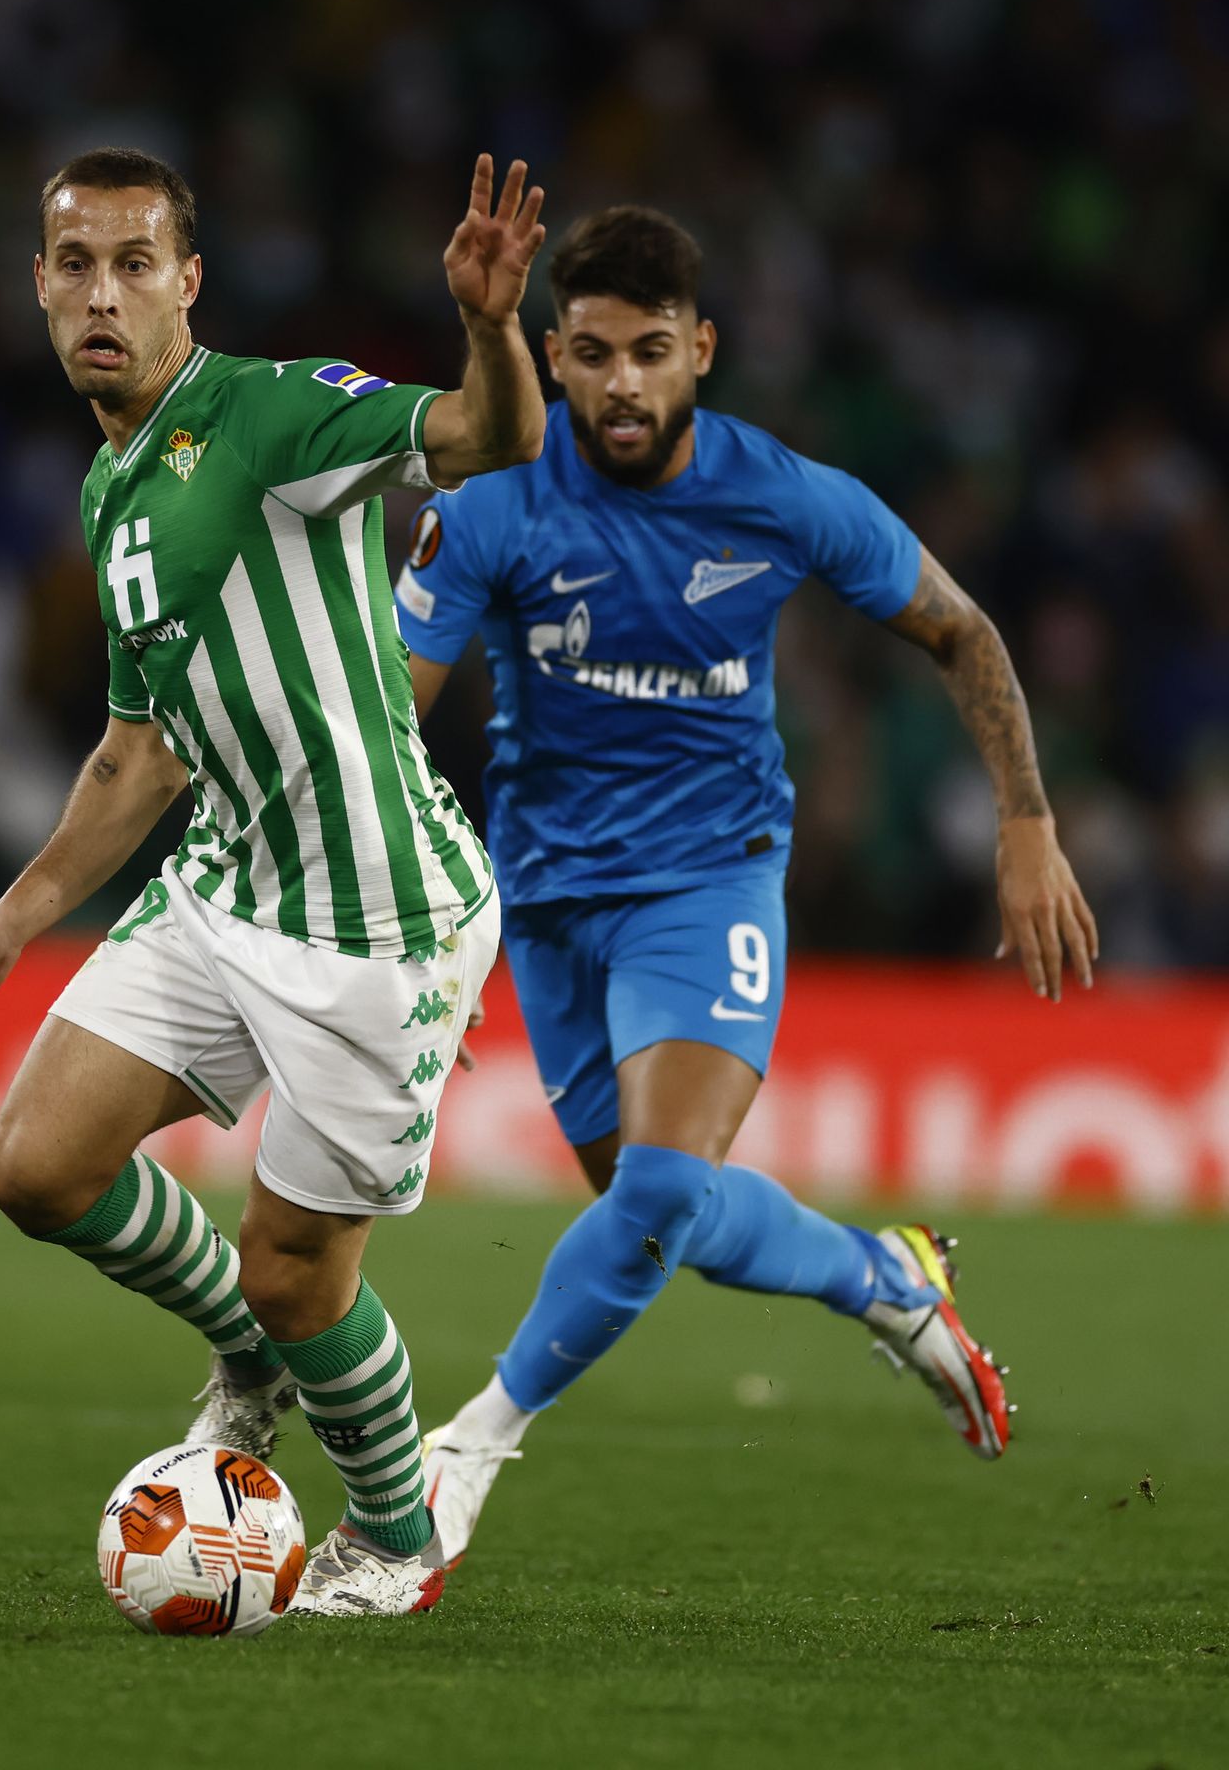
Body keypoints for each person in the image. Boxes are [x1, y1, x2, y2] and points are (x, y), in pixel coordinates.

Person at [0, 147, 548, 1617]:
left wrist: (494, 328)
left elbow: (488, 438)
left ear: (190, 284)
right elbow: (138, 754)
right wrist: (3, 930)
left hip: (381, 920)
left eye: (136, 262)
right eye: (74, 263)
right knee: (37, 1167)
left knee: (299, 1273)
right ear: (39, 286)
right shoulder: (110, 485)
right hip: (228, 879)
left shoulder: (267, 414)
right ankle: (247, 1359)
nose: (102, 292)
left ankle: (393, 1530)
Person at [398, 206, 1098, 1566]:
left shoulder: (781, 496)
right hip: (545, 899)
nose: (620, 386)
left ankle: (465, 1448)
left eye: (650, 352)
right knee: (656, 1216)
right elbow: (385, 716)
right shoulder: (493, 506)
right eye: (592, 353)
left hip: (708, 882)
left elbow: (960, 630)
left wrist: (1027, 823)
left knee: (654, 1195)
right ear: (554, 351)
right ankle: (887, 1278)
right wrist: (411, 912)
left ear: (701, 350)